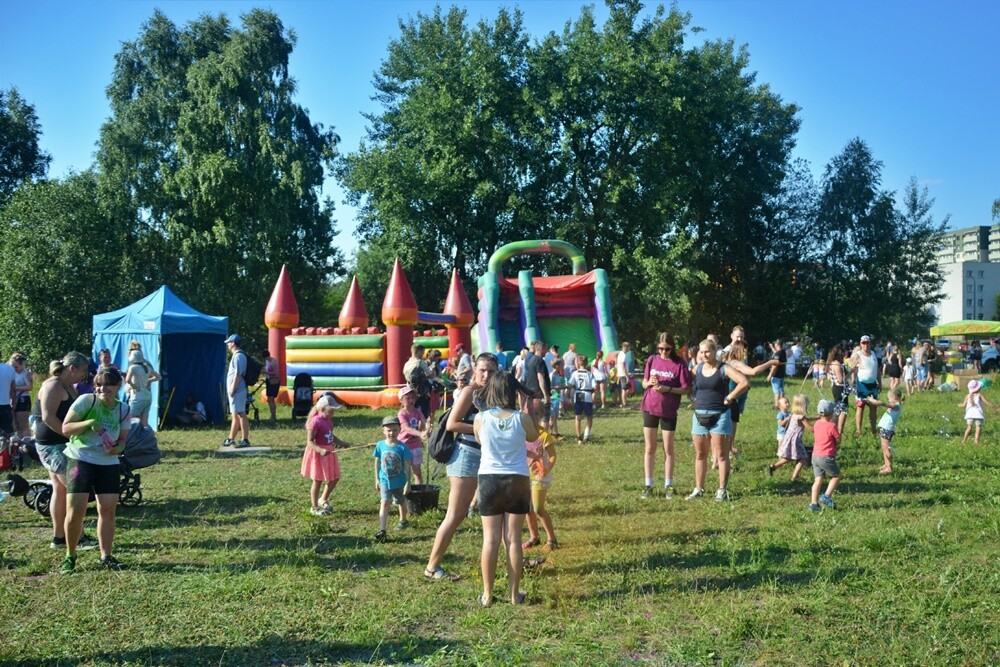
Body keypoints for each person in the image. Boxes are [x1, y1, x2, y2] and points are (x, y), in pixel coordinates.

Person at [423, 353, 499, 582]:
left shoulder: (491, 394)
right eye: (483, 370)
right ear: (475, 370)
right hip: (466, 456)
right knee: (454, 515)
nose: (486, 375)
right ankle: (432, 567)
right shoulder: (469, 391)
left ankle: (517, 559)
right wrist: (482, 425)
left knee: (498, 514)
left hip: (485, 457)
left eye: (491, 371)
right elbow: (453, 423)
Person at [472, 371, 539, 607]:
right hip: (517, 481)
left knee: (490, 539)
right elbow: (533, 436)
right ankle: (514, 594)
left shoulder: (480, 418)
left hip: (489, 479)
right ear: (513, 392)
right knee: (513, 539)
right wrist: (525, 407)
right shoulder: (522, 418)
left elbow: (480, 441)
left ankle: (488, 594)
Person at [61, 366, 132, 573]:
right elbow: (66, 428)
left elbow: (123, 442)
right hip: (81, 458)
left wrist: (116, 448)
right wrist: (90, 422)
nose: (102, 389)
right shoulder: (86, 401)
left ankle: (106, 556)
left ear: (118, 386)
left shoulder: (124, 410)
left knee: (108, 510)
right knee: (76, 511)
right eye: (99, 385)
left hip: (107, 463)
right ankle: (70, 556)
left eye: (108, 384)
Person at [32, 352, 96, 551]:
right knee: (75, 490)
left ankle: (59, 537)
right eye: (84, 370)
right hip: (52, 446)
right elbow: (48, 417)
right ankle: (78, 538)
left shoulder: (68, 386)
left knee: (60, 490)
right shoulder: (52, 385)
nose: (85, 375)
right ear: (72, 368)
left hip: (61, 444)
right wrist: (70, 436)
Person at [687, 339, 749, 502]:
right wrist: (691, 397)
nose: (704, 354)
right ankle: (698, 488)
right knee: (700, 455)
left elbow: (744, 382)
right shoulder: (697, 368)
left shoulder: (724, 368)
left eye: (707, 351)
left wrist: (730, 397)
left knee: (721, 455)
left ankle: (722, 490)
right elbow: (685, 383)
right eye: (701, 352)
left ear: (715, 351)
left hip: (720, 415)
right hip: (699, 416)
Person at [639, 332, 692, 499]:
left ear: (672, 348)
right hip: (649, 407)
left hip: (668, 410)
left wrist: (667, 389)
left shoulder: (679, 364)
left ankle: (668, 485)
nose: (663, 352)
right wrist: (651, 383)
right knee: (650, 447)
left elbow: (686, 389)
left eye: (667, 349)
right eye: (660, 348)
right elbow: (644, 382)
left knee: (668, 449)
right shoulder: (652, 360)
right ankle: (648, 485)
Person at [302, 394, 348, 516]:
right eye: (331, 411)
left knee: (335, 477)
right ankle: (314, 507)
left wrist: (341, 443)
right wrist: (320, 450)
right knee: (317, 480)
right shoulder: (315, 421)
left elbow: (330, 436)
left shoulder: (328, 421)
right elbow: (310, 441)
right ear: (322, 409)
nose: (333, 413)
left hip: (329, 453)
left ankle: (322, 499)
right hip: (318, 454)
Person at [522, 404, 558, 553]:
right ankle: (534, 537)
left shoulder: (544, 435)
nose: (532, 417)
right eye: (529, 413)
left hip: (539, 478)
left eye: (536, 414)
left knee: (538, 508)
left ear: (541, 415)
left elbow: (552, 456)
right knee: (527, 508)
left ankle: (552, 539)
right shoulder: (520, 434)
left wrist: (546, 469)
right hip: (524, 475)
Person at [373, 416, 411, 541]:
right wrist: (377, 479)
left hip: (399, 480)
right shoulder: (380, 445)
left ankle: (403, 519)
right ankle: (382, 529)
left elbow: (407, 466)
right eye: (388, 430)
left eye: (394, 430)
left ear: (399, 430)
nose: (391, 433)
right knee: (385, 502)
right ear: (383, 431)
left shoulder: (402, 447)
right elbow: (377, 462)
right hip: (384, 480)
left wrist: (408, 482)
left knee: (401, 501)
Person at [767, 394, 810, 481]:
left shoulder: (794, 414)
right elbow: (810, 427)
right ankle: (794, 477)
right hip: (793, 440)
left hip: (791, 438)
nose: (787, 404)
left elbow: (805, 418)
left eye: (788, 402)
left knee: (788, 457)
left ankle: (773, 466)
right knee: (803, 458)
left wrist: (817, 417)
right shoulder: (796, 416)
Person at [809, 399, 842, 512]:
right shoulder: (832, 426)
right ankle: (826, 496)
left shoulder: (817, 424)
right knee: (837, 476)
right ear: (832, 413)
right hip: (826, 457)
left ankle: (813, 504)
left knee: (818, 480)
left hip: (815, 456)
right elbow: (838, 440)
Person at [865, 388, 904, 474]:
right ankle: (886, 464)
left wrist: (873, 401)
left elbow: (883, 404)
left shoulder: (896, 406)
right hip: (886, 429)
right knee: (884, 447)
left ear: (894, 397)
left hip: (887, 429)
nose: (889, 400)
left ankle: (889, 467)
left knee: (886, 448)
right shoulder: (895, 405)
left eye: (889, 398)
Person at [223, 334, 250, 448]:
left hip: (237, 390)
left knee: (241, 414)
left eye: (229, 343)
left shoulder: (238, 356)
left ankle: (245, 439)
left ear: (233, 343)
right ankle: (231, 438)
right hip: (236, 390)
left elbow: (238, 375)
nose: (228, 345)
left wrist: (232, 389)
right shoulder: (236, 356)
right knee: (236, 414)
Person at [397, 386, 428, 485]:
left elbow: (424, 421)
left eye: (413, 397)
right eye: (408, 398)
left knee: (417, 473)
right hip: (404, 446)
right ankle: (404, 493)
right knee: (405, 472)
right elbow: (406, 428)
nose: (411, 400)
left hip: (416, 446)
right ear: (401, 400)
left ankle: (418, 492)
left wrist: (426, 427)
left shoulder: (417, 411)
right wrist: (420, 433)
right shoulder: (402, 414)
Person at [851, 335, 881, 437]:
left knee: (873, 407)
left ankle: (873, 429)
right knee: (860, 407)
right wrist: (852, 381)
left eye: (867, 343)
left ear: (870, 343)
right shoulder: (858, 355)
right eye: (863, 343)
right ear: (860, 344)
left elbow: (877, 369)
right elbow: (853, 368)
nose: (865, 345)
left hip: (873, 385)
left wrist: (879, 381)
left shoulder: (873, 354)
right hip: (861, 385)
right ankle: (859, 430)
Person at [125, 349, 161, 428]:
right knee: (145, 422)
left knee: (129, 420)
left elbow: (127, 380)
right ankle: (147, 437)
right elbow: (159, 377)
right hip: (147, 396)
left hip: (137, 396)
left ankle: (129, 437)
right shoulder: (147, 367)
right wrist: (149, 380)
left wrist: (134, 386)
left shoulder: (132, 367)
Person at [569, 355, 596, 444]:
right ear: (586, 363)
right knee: (589, 417)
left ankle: (579, 438)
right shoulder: (589, 374)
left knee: (578, 417)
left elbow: (570, 384)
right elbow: (595, 386)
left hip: (579, 393)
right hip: (587, 394)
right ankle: (586, 436)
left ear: (578, 363)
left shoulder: (575, 373)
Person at [959, 380, 995, 446]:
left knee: (969, 427)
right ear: (978, 388)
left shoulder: (968, 396)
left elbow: (963, 405)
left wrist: (959, 405)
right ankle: (976, 442)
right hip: (978, 414)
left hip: (969, 414)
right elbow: (987, 403)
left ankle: (964, 441)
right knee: (978, 428)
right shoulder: (979, 395)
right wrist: (994, 407)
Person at [403, 343, 433, 419]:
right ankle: (422, 429)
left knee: (412, 411)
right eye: (422, 352)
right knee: (423, 414)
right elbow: (429, 375)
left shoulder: (407, 364)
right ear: (419, 352)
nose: (423, 354)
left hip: (410, 391)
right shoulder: (420, 362)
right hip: (422, 392)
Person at [826, 345, 850, 434]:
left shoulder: (833, 363)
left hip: (837, 388)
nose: (844, 355)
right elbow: (840, 380)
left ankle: (835, 430)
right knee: (842, 410)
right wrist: (851, 372)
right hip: (840, 389)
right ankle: (838, 431)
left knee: (839, 409)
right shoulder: (837, 364)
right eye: (843, 353)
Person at [10, 353, 32, 438]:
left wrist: (15, 388)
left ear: (21, 364)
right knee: (16, 426)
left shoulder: (25, 373)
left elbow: (29, 387)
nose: (14, 369)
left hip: (23, 399)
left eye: (16, 367)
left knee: (23, 425)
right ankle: (18, 446)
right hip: (14, 399)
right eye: (12, 367)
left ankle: (26, 443)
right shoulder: (12, 373)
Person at [765, 339, 787, 408]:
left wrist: (770, 375)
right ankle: (782, 404)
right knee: (781, 390)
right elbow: (777, 353)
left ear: (777, 344)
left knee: (776, 391)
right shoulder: (783, 352)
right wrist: (771, 347)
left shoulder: (778, 354)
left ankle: (776, 405)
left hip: (776, 375)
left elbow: (774, 366)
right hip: (782, 374)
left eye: (775, 344)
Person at [262, 349, 280, 425]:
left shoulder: (273, 361)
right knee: (270, 400)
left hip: (274, 382)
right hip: (269, 381)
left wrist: (266, 372)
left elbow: (276, 373)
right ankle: (272, 416)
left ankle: (273, 417)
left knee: (271, 399)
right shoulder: (266, 362)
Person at [548, 358, 565, 437]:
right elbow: (549, 387)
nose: (562, 366)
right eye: (561, 365)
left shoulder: (558, 374)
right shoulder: (552, 375)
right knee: (553, 416)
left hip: (557, 396)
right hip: (553, 397)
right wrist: (557, 387)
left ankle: (550, 432)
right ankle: (556, 433)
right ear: (556, 366)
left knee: (554, 416)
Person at [0, 354, 16, 435]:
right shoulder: (10, 369)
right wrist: (13, 402)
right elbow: (13, 389)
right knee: (8, 433)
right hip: (5, 405)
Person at [616, 341, 633, 408]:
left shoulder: (622, 354)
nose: (629, 348)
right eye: (629, 347)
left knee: (627, 389)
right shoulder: (622, 355)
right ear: (625, 347)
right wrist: (626, 376)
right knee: (625, 389)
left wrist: (628, 373)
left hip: (623, 374)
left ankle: (624, 402)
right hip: (623, 375)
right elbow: (622, 366)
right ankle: (623, 403)